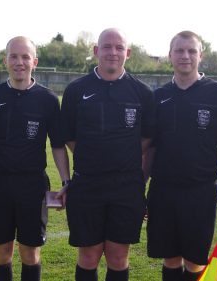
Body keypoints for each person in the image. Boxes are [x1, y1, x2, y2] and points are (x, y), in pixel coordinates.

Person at [0, 36, 70, 281]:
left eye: (25, 57)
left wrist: (66, 182)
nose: (19, 62)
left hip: (33, 186)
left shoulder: (47, 99)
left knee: (30, 253)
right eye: (14, 56)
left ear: (34, 61)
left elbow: (57, 146)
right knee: (2, 253)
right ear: (5, 61)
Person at [144, 30, 217, 281]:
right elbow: (150, 148)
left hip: (200, 191)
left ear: (201, 55)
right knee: (170, 257)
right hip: (163, 190)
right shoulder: (159, 97)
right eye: (179, 50)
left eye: (191, 51)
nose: (185, 56)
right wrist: (138, 186)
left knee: (195, 259)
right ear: (169, 55)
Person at [60, 28, 155, 281]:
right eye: (107, 46)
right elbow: (67, 135)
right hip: (87, 185)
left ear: (128, 53)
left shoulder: (143, 93)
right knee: (88, 256)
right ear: (95, 51)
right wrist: (94, 156)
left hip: (126, 187)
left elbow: (148, 138)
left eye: (119, 47)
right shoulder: (76, 90)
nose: (113, 52)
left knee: (117, 256)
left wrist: (123, 157)